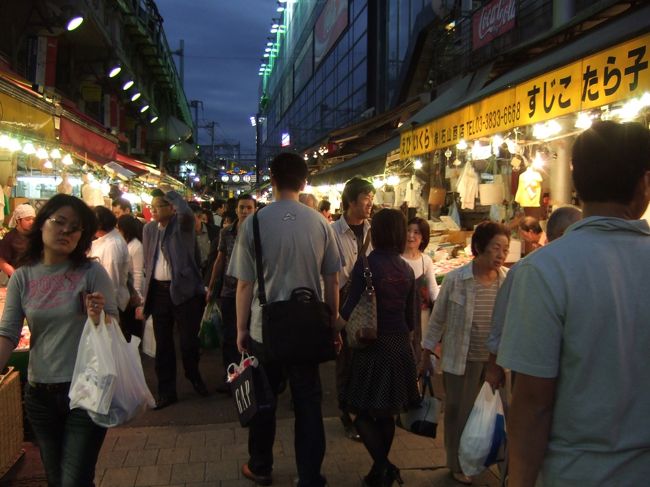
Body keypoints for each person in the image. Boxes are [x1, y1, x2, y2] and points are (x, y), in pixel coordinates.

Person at [498, 121, 650, 486]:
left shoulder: (544, 271)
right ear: (645, 184)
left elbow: (532, 403)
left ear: (576, 182)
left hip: (575, 473)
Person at [229, 152, 340, 487]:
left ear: (272, 180)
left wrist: (241, 329)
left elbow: (244, 284)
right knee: (308, 403)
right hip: (308, 328)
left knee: (265, 400)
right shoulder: (320, 222)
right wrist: (332, 322)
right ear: (303, 182)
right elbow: (333, 279)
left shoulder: (254, 223)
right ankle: (309, 477)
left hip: (267, 329)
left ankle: (261, 466)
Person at [0, 194, 118, 486]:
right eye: (60, 222)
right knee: (57, 478)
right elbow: (8, 333)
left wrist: (97, 316)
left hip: (86, 391)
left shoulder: (91, 272)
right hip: (39, 395)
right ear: (41, 225)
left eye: (76, 227)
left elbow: (114, 328)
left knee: (72, 480)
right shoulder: (22, 277)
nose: (67, 231)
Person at [419, 221, 510, 485]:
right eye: (496, 248)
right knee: (460, 413)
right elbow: (438, 318)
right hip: (461, 359)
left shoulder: (507, 281)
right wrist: (426, 352)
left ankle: (483, 457)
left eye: (505, 249)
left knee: (492, 414)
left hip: (495, 361)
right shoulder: (457, 279)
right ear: (479, 247)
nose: (501, 255)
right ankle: (457, 462)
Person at [337, 209, 419, 487]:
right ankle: (379, 472)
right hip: (399, 349)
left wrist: (331, 328)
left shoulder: (366, 266)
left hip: (371, 347)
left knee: (357, 411)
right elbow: (411, 320)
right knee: (385, 413)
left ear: (377, 232)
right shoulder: (407, 270)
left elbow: (346, 311)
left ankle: (384, 466)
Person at [485, 205, 582, 389]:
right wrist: (493, 368)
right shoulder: (528, 268)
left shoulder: (583, 269)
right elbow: (500, 320)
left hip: (570, 374)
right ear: (564, 233)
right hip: (529, 370)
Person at [136, 186, 209, 410]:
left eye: (158, 206)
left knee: (188, 341)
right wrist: (144, 296)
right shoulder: (149, 229)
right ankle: (166, 391)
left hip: (184, 290)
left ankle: (192, 372)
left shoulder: (183, 225)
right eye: (152, 206)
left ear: (170, 207)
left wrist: (172, 194)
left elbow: (186, 212)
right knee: (163, 344)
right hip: (158, 292)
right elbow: (148, 261)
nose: (154, 211)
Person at [331, 176, 374, 441]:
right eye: (365, 199)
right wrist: (334, 315)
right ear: (350, 202)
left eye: (371, 199)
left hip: (368, 303)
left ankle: (362, 409)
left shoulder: (372, 229)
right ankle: (346, 413)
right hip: (345, 300)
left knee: (366, 357)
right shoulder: (333, 232)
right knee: (345, 360)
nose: (370, 204)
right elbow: (331, 278)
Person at [207, 193, 256, 393]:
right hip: (229, 291)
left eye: (249, 208)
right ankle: (232, 379)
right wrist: (211, 286)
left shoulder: (258, 232)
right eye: (241, 207)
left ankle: (252, 380)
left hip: (253, 294)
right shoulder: (226, 232)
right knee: (230, 338)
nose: (244, 211)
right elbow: (219, 260)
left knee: (252, 338)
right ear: (236, 209)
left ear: (255, 210)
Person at [401, 217, 439, 357]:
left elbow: (433, 289)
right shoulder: (397, 258)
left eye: (416, 232)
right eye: (408, 230)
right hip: (399, 315)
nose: (411, 235)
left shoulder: (426, 260)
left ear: (423, 238)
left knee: (417, 351)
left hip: (420, 316)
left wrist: (440, 305)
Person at [89, 206, 130, 338]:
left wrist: (106, 311)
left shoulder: (112, 245)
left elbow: (111, 281)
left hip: (109, 305)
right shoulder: (106, 240)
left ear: (99, 224)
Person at [117, 214, 145, 340]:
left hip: (133, 289)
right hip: (127, 288)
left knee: (133, 322)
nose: (117, 231)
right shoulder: (125, 244)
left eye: (118, 228)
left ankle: (135, 347)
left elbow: (138, 272)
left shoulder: (136, 246)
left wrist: (137, 293)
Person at [0, 203, 36, 277]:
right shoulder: (10, 238)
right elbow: (1, 261)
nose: (31, 222)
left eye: (33, 219)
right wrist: (16, 275)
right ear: (18, 221)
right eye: (27, 219)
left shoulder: (36, 235)